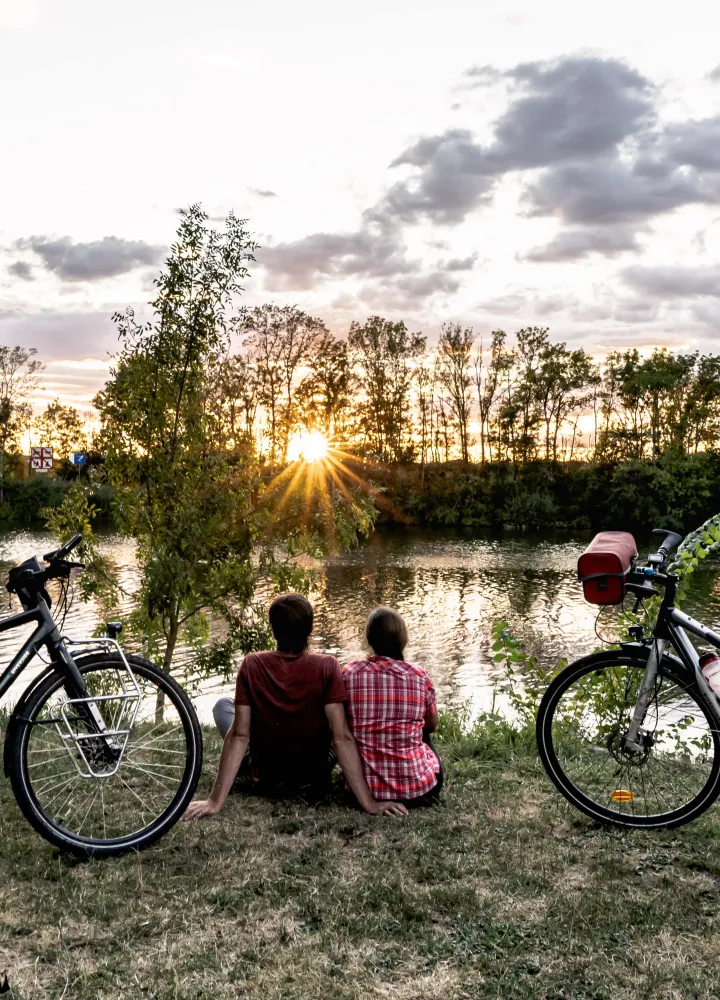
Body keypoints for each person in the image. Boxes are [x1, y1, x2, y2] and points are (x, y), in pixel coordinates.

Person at [183, 593, 408, 821]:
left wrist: (214, 802)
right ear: (309, 630)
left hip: (267, 777)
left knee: (223, 705)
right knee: (339, 720)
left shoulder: (252, 664)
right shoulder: (327, 666)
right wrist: (369, 803)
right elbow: (341, 737)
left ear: (274, 630)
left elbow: (239, 735)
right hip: (314, 777)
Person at [343, 607, 443, 808]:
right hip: (420, 791)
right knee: (424, 731)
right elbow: (432, 725)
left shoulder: (349, 673)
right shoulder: (419, 676)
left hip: (365, 791)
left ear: (369, 640)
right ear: (403, 639)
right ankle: (412, 770)